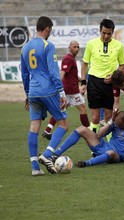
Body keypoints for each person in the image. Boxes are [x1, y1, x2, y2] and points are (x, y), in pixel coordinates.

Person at [21, 16, 68, 176]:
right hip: (48, 90)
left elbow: (25, 75)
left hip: (33, 91)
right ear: (47, 28)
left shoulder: (25, 48)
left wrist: (28, 94)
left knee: (34, 126)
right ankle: (46, 155)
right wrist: (62, 93)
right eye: (50, 30)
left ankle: (35, 168)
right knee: (63, 124)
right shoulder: (48, 45)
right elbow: (54, 72)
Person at [52, 110, 124, 167]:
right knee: (81, 129)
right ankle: (55, 154)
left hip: (117, 155)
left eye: (119, 125)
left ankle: (86, 163)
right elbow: (99, 135)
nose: (116, 126)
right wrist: (111, 122)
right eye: (115, 123)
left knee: (111, 152)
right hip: (104, 146)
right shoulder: (115, 122)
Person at [80, 18, 124, 135]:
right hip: (94, 82)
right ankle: (94, 146)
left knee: (108, 118)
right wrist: (83, 82)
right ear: (100, 31)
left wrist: (113, 76)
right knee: (95, 118)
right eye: (104, 33)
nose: (106, 36)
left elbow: (122, 65)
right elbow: (85, 64)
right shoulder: (91, 44)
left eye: (109, 33)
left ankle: (109, 145)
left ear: (113, 32)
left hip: (110, 84)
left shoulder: (119, 46)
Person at [42, 40, 90, 140]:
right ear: (69, 48)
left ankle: (47, 130)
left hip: (68, 90)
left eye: (78, 47)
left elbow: (73, 75)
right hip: (71, 90)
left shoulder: (71, 59)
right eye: (74, 47)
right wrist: (57, 87)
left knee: (61, 110)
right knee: (82, 109)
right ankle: (89, 131)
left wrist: (83, 80)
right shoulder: (68, 59)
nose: (76, 49)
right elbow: (62, 74)